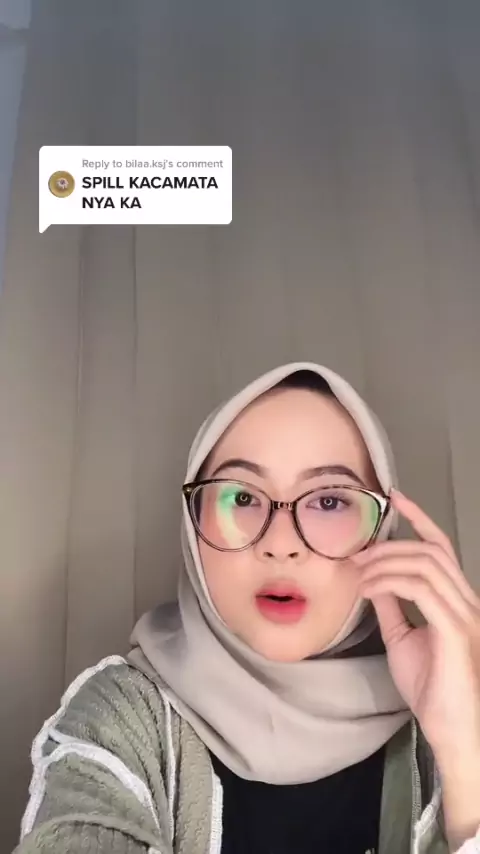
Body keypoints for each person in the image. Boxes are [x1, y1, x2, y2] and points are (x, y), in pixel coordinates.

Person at [14, 362, 480, 854]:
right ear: (192, 526)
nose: (280, 545)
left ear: (382, 530)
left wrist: (465, 749)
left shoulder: (443, 716)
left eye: (328, 502)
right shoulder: (119, 717)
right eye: (241, 496)